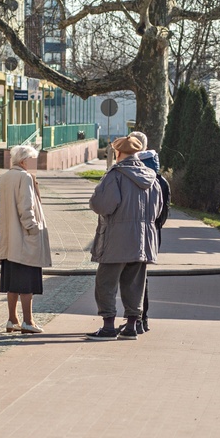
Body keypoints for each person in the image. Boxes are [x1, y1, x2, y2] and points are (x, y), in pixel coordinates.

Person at [86, 135, 163, 341]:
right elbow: (158, 209)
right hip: (143, 239)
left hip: (116, 239)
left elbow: (102, 205)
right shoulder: (152, 177)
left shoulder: (116, 175)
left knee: (106, 283)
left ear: (118, 153)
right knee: (135, 283)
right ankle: (131, 325)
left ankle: (109, 326)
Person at [0, 145, 51, 334]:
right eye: (33, 160)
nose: (35, 164)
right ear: (24, 161)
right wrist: (33, 229)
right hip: (24, 238)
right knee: (27, 284)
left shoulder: (6, 176)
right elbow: (26, 208)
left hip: (10, 239)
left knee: (12, 283)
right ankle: (28, 321)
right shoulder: (24, 177)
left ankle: (12, 319)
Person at [126, 130, 170, 333]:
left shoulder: (128, 173)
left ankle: (133, 321)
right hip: (152, 234)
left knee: (128, 277)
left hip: (128, 233)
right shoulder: (160, 180)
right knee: (142, 277)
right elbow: (163, 214)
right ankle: (142, 320)